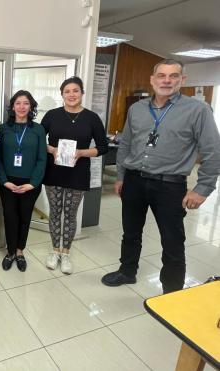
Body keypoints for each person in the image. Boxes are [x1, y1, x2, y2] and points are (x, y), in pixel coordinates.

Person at [101, 59, 220, 294]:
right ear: (152, 80)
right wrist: (121, 176)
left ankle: (171, 292)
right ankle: (127, 271)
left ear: (182, 80)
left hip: (170, 186)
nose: (167, 80)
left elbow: (213, 150)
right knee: (131, 232)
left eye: (173, 76)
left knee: (172, 241)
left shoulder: (197, 110)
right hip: (134, 181)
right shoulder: (137, 109)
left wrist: (202, 188)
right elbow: (126, 145)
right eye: (162, 76)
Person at [41, 76, 108, 274]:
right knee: (55, 212)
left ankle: (66, 253)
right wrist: (51, 149)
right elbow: (37, 139)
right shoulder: (52, 115)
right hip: (53, 171)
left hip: (78, 173)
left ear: (82, 93)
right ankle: (54, 251)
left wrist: (82, 153)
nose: (71, 95)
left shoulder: (91, 118)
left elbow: (103, 147)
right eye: (67, 91)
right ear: (61, 94)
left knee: (69, 214)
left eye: (75, 91)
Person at [0, 90, 47, 272]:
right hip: (8, 183)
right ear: (12, 107)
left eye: (26, 103)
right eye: (18, 103)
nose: (22, 107)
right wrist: (3, 181)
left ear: (31, 106)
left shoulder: (38, 129)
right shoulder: (3, 129)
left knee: (25, 218)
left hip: (30, 183)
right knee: (10, 217)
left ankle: (19, 252)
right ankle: (10, 252)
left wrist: (33, 183)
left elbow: (42, 159)